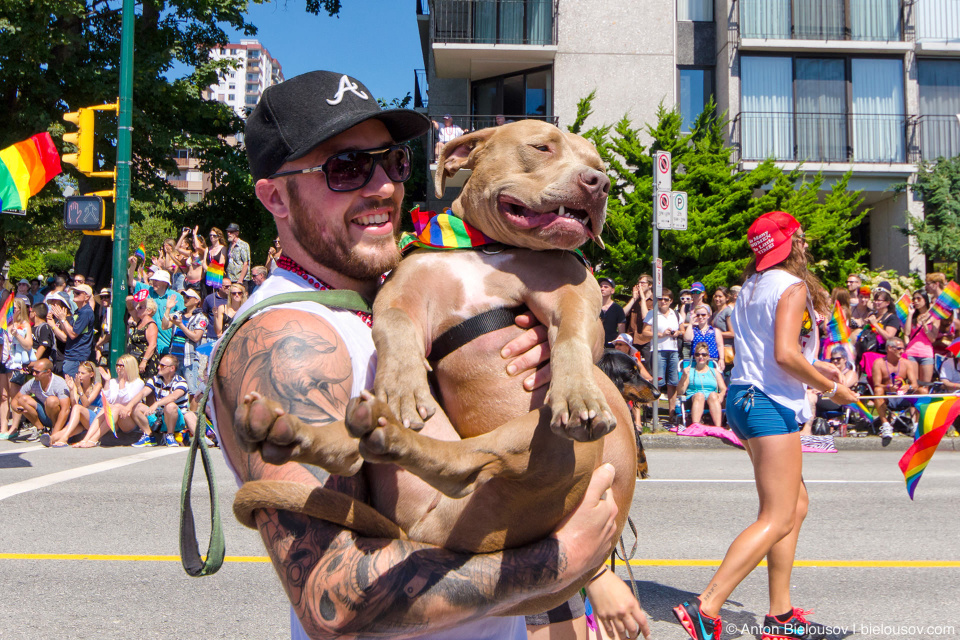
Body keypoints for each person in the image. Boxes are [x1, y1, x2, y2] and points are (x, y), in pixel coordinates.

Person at [210, 70, 620, 640]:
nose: (381, 187)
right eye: (346, 168)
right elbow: (336, 599)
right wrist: (559, 561)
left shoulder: (395, 288)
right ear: (275, 195)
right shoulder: (290, 337)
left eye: (392, 162)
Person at [673, 211, 857, 640]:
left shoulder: (753, 286)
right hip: (766, 403)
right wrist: (833, 389)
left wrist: (817, 365)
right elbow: (783, 356)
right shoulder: (791, 287)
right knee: (777, 515)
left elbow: (771, 351)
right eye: (802, 238)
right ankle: (706, 606)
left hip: (745, 396)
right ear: (791, 244)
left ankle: (781, 616)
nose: (806, 245)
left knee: (794, 507)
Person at [73, 355, 145, 447]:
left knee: (117, 407)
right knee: (108, 407)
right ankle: (86, 439)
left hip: (129, 419)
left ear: (129, 367)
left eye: (121, 366)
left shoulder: (138, 382)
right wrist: (107, 382)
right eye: (117, 365)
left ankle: (94, 439)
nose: (118, 368)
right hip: (115, 417)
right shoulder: (113, 381)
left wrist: (122, 381)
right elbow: (107, 400)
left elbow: (126, 400)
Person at [640, 288, 682, 428]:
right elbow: (644, 332)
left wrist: (677, 333)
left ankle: (671, 414)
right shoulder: (652, 313)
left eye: (666, 299)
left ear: (671, 301)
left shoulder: (675, 314)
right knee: (658, 382)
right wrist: (660, 334)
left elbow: (682, 329)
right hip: (658, 350)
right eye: (660, 299)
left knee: (673, 382)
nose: (663, 302)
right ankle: (654, 413)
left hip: (673, 350)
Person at [132, 354, 194, 447]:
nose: (158, 367)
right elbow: (143, 393)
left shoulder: (181, 381)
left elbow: (174, 397)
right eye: (159, 364)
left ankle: (170, 436)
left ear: (172, 368)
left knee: (170, 406)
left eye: (162, 365)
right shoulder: (155, 379)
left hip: (177, 420)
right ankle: (149, 436)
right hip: (160, 417)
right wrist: (128, 407)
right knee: (137, 406)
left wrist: (156, 404)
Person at [871, 336, 920, 444]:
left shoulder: (907, 363)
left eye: (903, 348)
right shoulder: (879, 363)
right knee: (878, 390)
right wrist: (888, 387)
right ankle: (885, 425)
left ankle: (916, 425)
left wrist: (908, 386)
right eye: (899, 348)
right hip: (887, 396)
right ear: (889, 348)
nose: (902, 351)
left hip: (903, 396)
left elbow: (915, 384)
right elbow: (877, 384)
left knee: (922, 392)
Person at [163, 288, 207, 405]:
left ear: (197, 300)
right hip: (174, 358)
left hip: (189, 359)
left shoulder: (201, 318)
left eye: (188, 297)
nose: (185, 299)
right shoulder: (179, 314)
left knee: (192, 391)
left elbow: (196, 337)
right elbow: (164, 326)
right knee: (173, 387)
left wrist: (181, 325)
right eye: (184, 297)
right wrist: (168, 309)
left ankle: (191, 418)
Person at [12, 359, 72, 443]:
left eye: (37, 372)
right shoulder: (33, 382)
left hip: (58, 418)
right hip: (44, 413)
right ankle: (40, 429)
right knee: (23, 399)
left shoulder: (59, 383)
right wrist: (16, 408)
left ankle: (55, 430)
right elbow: (16, 399)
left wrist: (54, 435)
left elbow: (65, 410)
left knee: (51, 400)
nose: (33, 374)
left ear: (48, 372)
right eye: (33, 370)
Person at [126, 268, 184, 355]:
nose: (154, 282)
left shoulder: (176, 297)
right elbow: (130, 282)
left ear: (165, 282)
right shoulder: (147, 290)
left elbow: (181, 317)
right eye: (153, 280)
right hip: (147, 341)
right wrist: (133, 265)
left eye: (157, 280)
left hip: (166, 343)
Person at [49, 361, 103, 447]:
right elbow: (74, 406)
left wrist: (78, 388)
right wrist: (71, 390)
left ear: (91, 374)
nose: (79, 375)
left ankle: (64, 438)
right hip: (82, 419)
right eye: (78, 372)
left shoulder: (97, 385)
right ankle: (51, 438)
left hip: (95, 418)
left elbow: (86, 404)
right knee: (68, 428)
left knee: (78, 409)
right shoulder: (77, 385)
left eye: (83, 373)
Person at [48, 283, 96, 377]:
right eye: (74, 292)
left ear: (86, 297)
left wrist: (62, 320)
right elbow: (68, 332)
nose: (74, 294)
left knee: (71, 385)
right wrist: (61, 319)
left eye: (78, 293)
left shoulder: (86, 312)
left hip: (76, 356)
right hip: (71, 356)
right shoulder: (79, 311)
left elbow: (73, 334)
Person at [677, 342, 727, 427]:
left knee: (714, 395)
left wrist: (721, 395)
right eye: (697, 354)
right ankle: (696, 426)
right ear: (694, 356)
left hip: (712, 400)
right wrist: (683, 377)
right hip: (694, 400)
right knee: (699, 396)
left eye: (704, 355)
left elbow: (723, 389)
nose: (701, 357)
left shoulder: (714, 371)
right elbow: (680, 391)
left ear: (708, 356)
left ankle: (718, 427)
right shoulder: (689, 371)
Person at [903, 290, 938, 385]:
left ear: (925, 300)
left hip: (926, 353)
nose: (916, 301)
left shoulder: (934, 317)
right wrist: (910, 314)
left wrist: (924, 325)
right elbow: (907, 332)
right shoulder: (913, 316)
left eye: (919, 298)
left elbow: (933, 339)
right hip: (911, 352)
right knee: (914, 384)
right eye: (914, 299)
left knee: (925, 385)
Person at [128, 297, 160, 379]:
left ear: (149, 311)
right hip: (135, 359)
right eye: (138, 307)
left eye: (141, 307)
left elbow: (152, 345)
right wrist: (134, 298)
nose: (137, 309)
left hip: (146, 363)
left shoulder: (151, 325)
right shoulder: (139, 321)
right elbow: (130, 307)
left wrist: (144, 361)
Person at [598, 277, 626, 347]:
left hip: (610, 346)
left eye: (606, 287)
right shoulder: (594, 307)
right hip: (595, 346)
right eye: (601, 286)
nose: (602, 289)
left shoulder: (618, 309)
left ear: (612, 291)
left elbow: (621, 332)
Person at [225, 223, 252, 293]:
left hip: (240, 279)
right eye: (228, 232)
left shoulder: (243, 245)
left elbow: (246, 263)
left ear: (237, 233)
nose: (229, 234)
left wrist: (240, 280)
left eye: (231, 232)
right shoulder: (230, 245)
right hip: (231, 278)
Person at [201, 276, 231, 341]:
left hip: (227, 336)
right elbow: (204, 314)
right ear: (220, 287)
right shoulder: (210, 298)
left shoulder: (232, 299)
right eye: (226, 287)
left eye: (230, 286)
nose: (229, 288)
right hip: (212, 336)